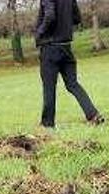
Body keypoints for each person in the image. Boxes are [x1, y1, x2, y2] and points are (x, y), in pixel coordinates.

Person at [35, 0, 104, 128]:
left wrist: (39, 33)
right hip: (66, 47)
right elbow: (77, 18)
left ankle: (47, 124)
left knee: (49, 87)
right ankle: (93, 115)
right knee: (73, 84)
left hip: (50, 48)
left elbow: (50, 16)